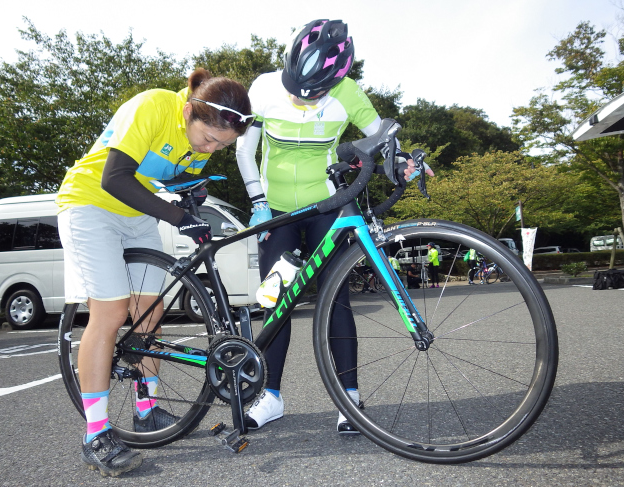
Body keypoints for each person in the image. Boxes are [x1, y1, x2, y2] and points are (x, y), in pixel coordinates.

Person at [235, 19, 433, 435]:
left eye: (316, 93)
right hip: (275, 208)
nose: (302, 100)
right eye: (295, 90)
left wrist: (400, 162)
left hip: (328, 203)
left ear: (338, 78)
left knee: (336, 299)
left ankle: (350, 397)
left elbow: (381, 137)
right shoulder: (264, 88)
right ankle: (269, 396)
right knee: (276, 300)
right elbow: (244, 149)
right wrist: (257, 202)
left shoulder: (348, 92)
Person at [56, 68, 252, 477]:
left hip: (135, 214)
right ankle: (96, 433)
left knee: (150, 313)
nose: (211, 148)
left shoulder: (203, 137)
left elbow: (174, 173)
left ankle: (145, 411)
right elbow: (115, 177)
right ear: (187, 112)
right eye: (208, 139)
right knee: (110, 313)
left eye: (222, 145)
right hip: (91, 204)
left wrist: (192, 191)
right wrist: (177, 216)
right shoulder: (152, 106)